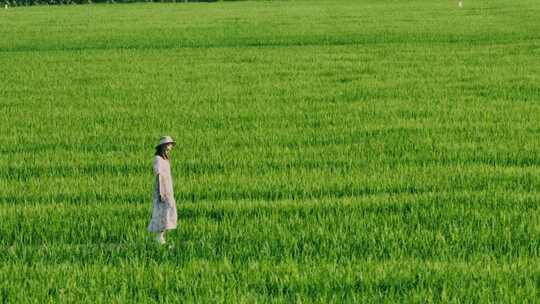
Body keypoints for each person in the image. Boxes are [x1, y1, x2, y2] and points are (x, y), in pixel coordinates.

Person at [147, 136, 178, 244]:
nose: (169, 147)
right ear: (162, 146)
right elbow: (159, 175)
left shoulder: (165, 158)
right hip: (162, 187)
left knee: (168, 210)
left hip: (168, 187)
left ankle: (161, 236)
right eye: (167, 145)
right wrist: (161, 191)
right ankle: (159, 236)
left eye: (170, 145)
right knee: (161, 211)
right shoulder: (158, 159)